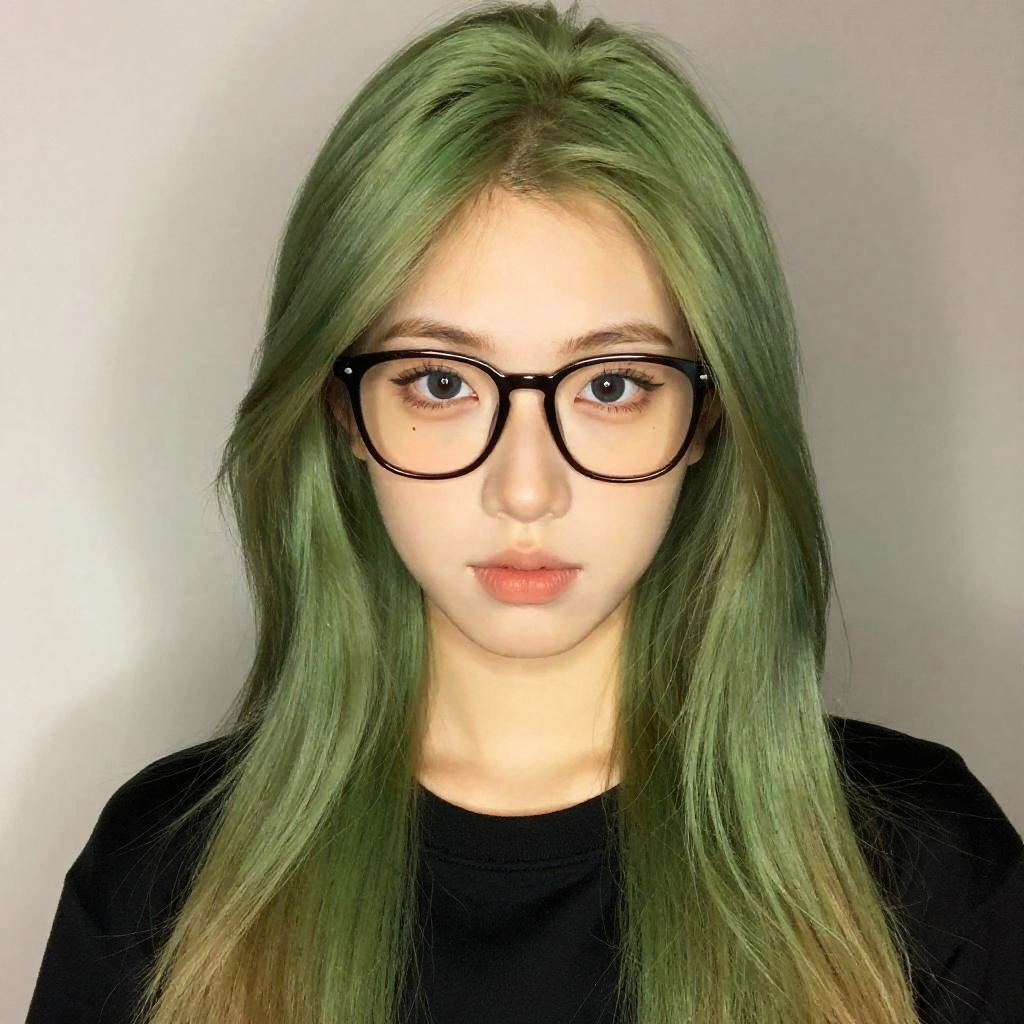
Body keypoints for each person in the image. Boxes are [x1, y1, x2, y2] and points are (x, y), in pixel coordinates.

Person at [25, 2, 1023, 1023]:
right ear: (342, 408)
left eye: (612, 385)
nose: (527, 489)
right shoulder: (162, 882)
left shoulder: (930, 874)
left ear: (710, 411)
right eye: (440, 383)